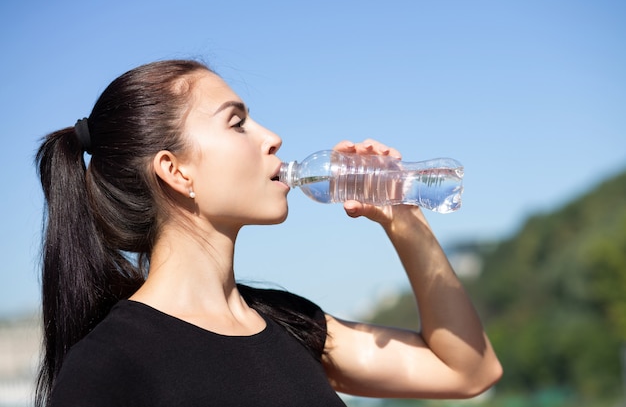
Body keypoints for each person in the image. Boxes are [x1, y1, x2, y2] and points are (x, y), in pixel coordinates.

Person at [34, 59, 502, 407]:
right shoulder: (110, 366)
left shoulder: (287, 324)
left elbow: (468, 370)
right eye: (237, 123)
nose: (272, 136)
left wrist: (402, 216)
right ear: (176, 171)